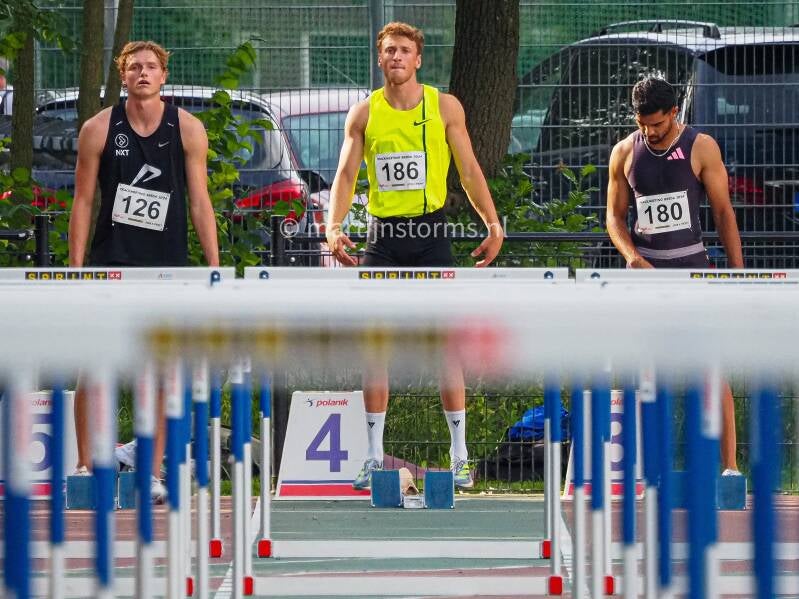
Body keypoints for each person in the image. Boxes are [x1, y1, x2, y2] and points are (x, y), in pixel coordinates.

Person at [325, 22, 504, 490]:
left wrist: (492, 222)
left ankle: (460, 456)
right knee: (375, 350)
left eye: (404, 50)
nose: (397, 57)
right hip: (383, 238)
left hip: (430, 233)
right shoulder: (364, 113)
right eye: (389, 51)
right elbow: (345, 176)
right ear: (379, 59)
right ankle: (371, 458)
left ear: (418, 59)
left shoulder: (444, 106)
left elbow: (468, 169)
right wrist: (333, 224)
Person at [68, 40, 220, 500]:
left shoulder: (189, 129)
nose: (143, 74)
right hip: (111, 266)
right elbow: (84, 201)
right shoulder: (97, 129)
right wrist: (76, 270)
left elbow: (199, 201)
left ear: (163, 77)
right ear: (123, 76)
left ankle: (149, 473)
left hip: (165, 270)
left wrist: (214, 267)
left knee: (158, 372)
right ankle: (83, 466)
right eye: (134, 67)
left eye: (151, 67)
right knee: (93, 367)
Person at [605, 76, 742, 474]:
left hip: (693, 271)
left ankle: (729, 468)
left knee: (711, 370)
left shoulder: (701, 147)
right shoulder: (624, 152)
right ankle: (645, 469)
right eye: (644, 124)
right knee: (645, 372)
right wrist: (631, 257)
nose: (652, 132)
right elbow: (613, 217)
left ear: (674, 113)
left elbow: (723, 213)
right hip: (646, 273)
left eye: (659, 125)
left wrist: (738, 275)